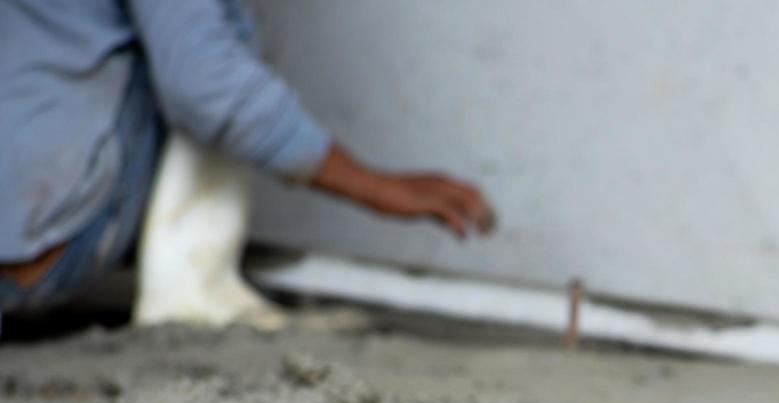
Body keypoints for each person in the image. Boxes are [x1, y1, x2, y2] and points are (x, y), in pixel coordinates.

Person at [0, 0, 493, 331]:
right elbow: (204, 86)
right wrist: (372, 185)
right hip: (39, 250)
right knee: (213, 51)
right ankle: (191, 291)